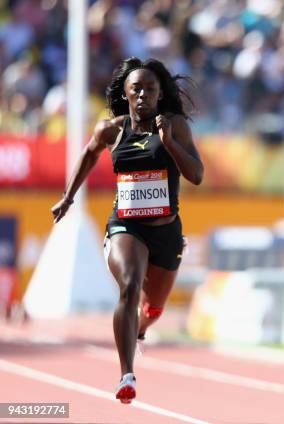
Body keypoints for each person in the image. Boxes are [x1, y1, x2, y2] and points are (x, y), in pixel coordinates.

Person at [51, 57, 204, 404]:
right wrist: (68, 198)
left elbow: (196, 175)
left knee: (153, 310)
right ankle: (127, 374)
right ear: (125, 92)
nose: (143, 94)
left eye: (150, 89)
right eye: (136, 88)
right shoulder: (111, 130)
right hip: (126, 225)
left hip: (166, 232)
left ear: (160, 93)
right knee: (130, 285)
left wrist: (169, 143)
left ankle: (139, 330)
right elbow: (89, 155)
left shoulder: (175, 125)